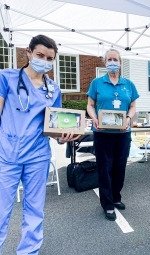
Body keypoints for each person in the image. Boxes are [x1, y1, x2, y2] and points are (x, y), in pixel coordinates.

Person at [0, 35, 79, 254]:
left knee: (34, 212)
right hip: (7, 155)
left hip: (38, 157)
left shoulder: (53, 89)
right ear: (28, 52)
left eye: (49, 58)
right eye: (40, 55)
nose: (44, 60)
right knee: (1, 211)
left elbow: (53, 126)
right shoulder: (6, 78)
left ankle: (29, 252)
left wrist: (62, 137)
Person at [87, 49, 139, 221]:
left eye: (115, 59)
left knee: (120, 167)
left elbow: (132, 106)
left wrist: (129, 119)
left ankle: (116, 197)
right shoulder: (97, 83)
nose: (112, 62)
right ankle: (107, 204)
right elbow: (90, 105)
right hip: (102, 133)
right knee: (104, 168)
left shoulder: (128, 84)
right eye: (109, 59)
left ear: (120, 62)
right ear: (104, 62)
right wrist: (94, 117)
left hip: (123, 133)